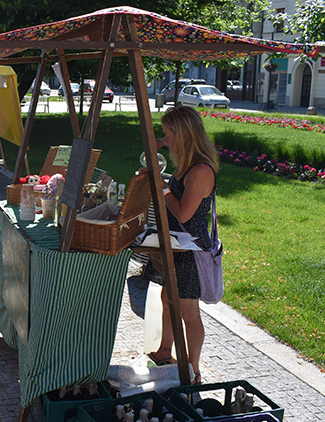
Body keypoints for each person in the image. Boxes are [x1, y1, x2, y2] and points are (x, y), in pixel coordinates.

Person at [144, 106, 218, 385]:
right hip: (175, 246)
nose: (167, 140)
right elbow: (154, 144)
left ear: (184, 135)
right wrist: (159, 141)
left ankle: (192, 370)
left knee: (188, 312)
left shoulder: (200, 170)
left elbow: (184, 213)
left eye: (170, 134)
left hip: (190, 250)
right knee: (167, 300)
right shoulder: (187, 164)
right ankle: (165, 352)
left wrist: (161, 187)